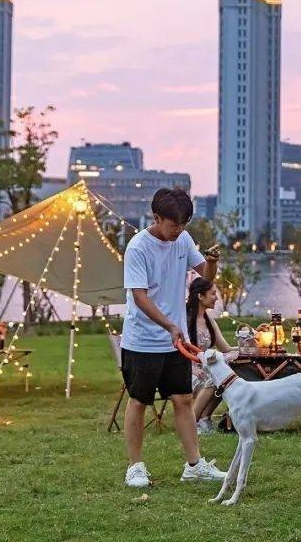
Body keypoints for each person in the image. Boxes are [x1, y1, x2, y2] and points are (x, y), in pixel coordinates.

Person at [120, 187, 226, 488]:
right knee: (139, 401)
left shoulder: (183, 240)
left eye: (183, 225)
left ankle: (194, 465)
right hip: (143, 340)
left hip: (175, 341)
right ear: (157, 217)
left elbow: (203, 278)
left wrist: (212, 262)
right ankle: (136, 467)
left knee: (183, 399)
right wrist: (169, 325)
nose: (179, 230)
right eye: (174, 225)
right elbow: (139, 296)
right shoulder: (138, 247)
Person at [186, 276, 233, 436]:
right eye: (213, 293)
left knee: (226, 379)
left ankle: (204, 418)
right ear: (200, 296)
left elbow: (225, 348)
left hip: (205, 369)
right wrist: (192, 370)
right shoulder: (184, 319)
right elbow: (175, 350)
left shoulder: (209, 321)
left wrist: (250, 340)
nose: (216, 297)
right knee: (214, 379)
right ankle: (191, 424)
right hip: (184, 370)